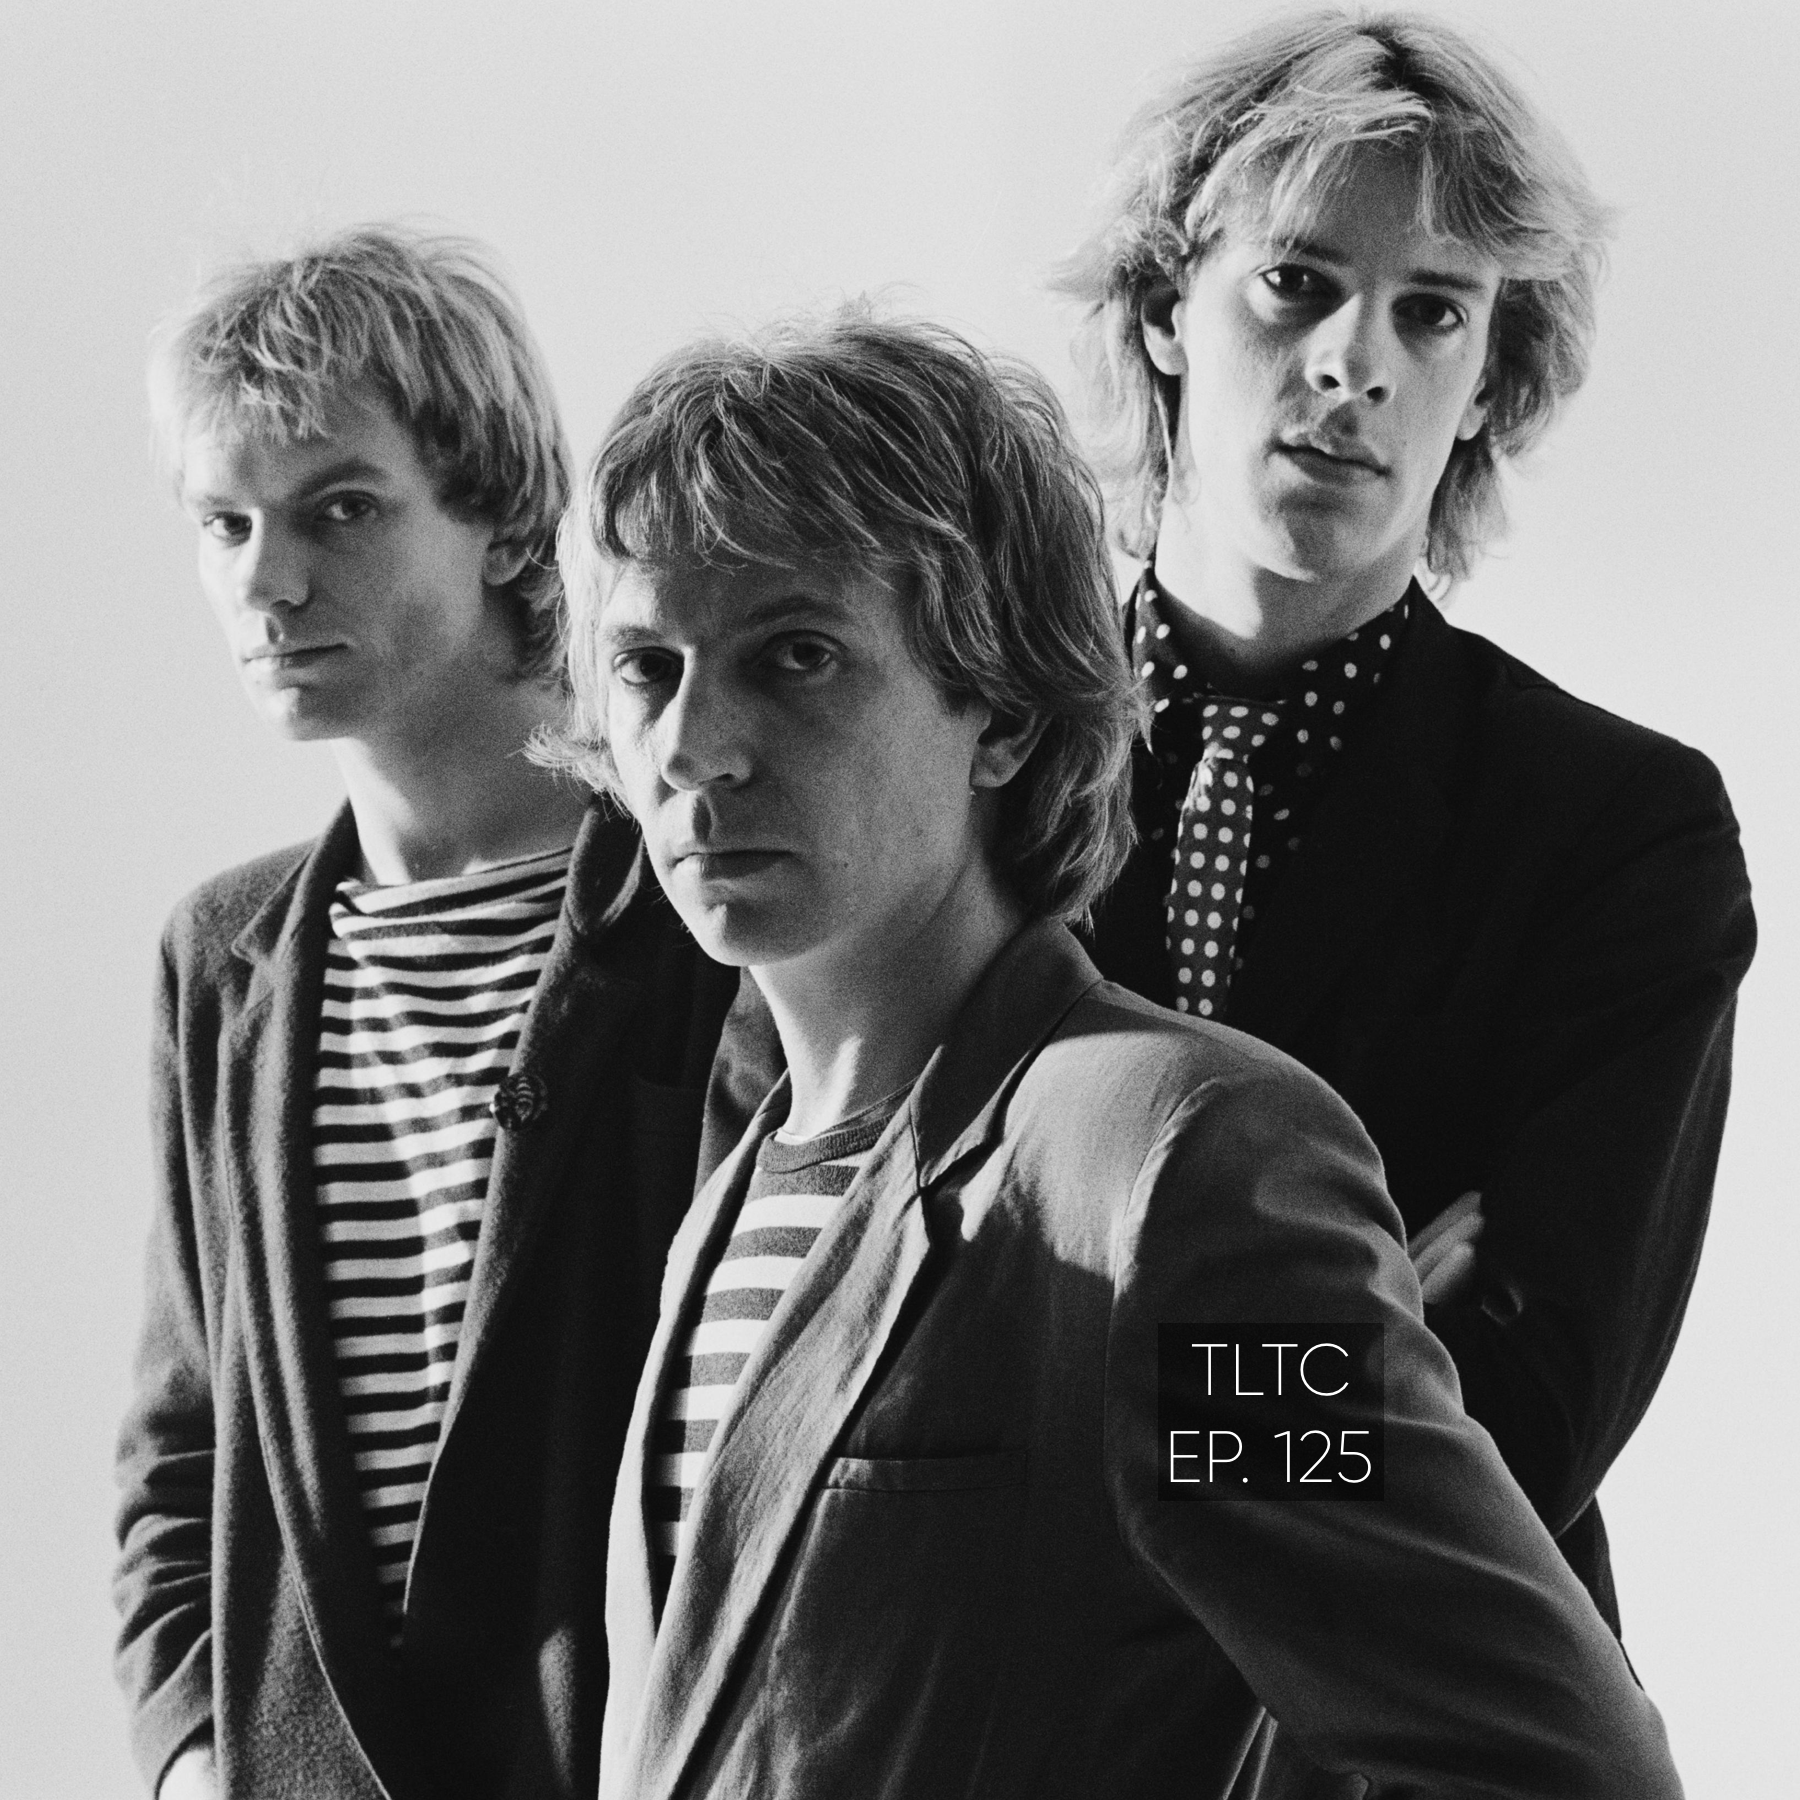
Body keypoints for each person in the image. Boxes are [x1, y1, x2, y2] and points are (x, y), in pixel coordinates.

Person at [553, 307, 1681, 1798]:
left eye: (797, 656)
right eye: (646, 666)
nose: (695, 741)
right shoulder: (735, 1191)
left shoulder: (1173, 1172)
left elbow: (1549, 1759)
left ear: (1004, 715)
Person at [1056, 6, 1755, 1659]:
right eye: (1296, 282)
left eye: (1432, 310)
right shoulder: (964, 757)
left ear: (1486, 379)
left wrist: (1075, 1391)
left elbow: (1516, 1420)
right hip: (997, 1702)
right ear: (1163, 307)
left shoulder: (1618, 832)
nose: (1353, 363)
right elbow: (836, 1317)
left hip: (1414, 1716)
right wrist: (1370, 1351)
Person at [112, 225, 736, 1800]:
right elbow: (182, 1451)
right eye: (225, 522)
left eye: (342, 508)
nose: (268, 580)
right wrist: (193, 1760)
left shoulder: (699, 906)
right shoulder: (223, 959)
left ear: (510, 523)